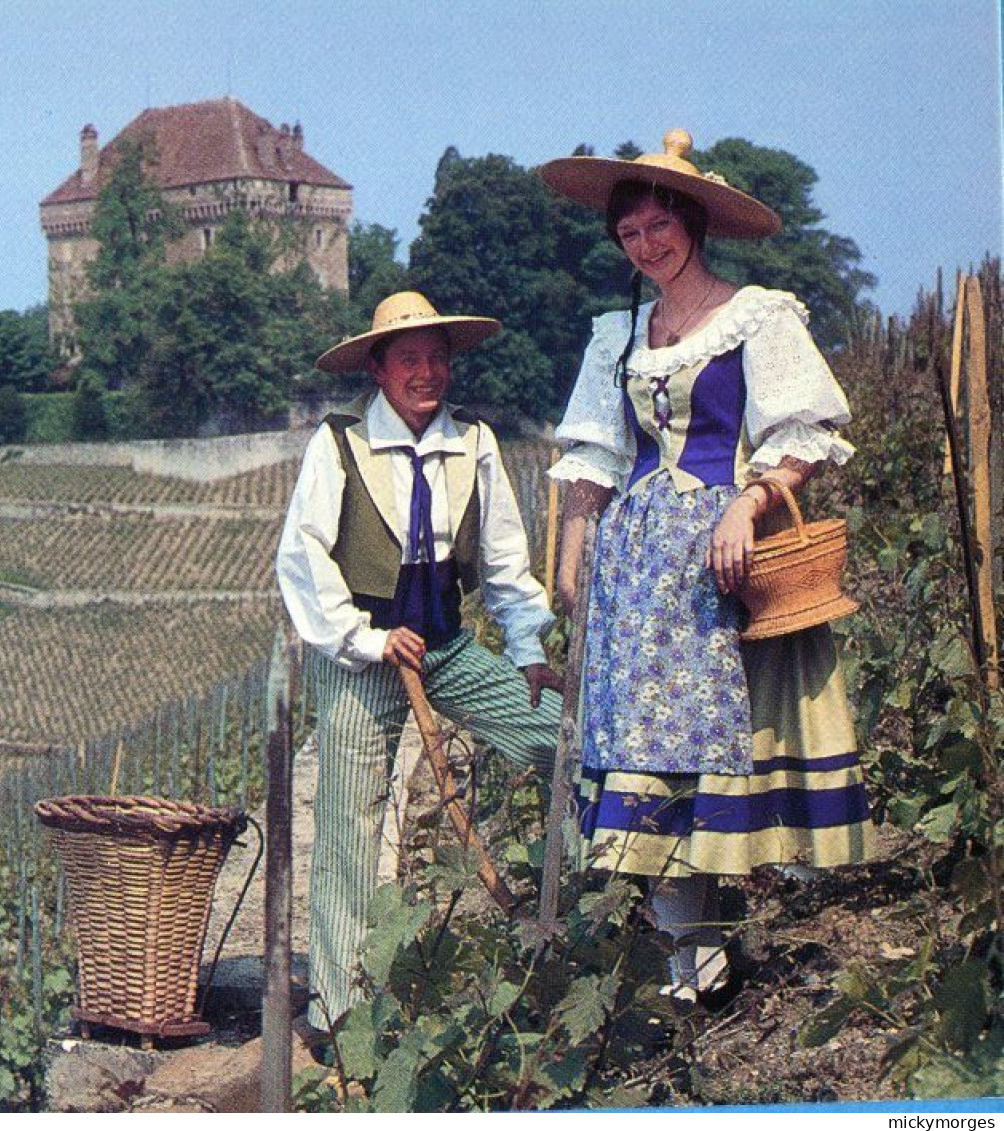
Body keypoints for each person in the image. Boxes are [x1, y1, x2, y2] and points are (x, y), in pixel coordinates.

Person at [539, 131, 873, 1003]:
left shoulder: (752, 315)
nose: (647, 246)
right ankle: (682, 965)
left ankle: (713, 960)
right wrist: (575, 563)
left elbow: (799, 437)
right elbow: (592, 461)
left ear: (692, 224)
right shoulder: (618, 335)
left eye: (659, 226)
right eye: (630, 234)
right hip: (634, 572)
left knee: (712, 748)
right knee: (642, 751)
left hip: (715, 561)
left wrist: (745, 503)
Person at [276, 291, 564, 1033]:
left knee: (561, 739)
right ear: (376, 368)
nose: (425, 372)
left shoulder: (473, 443)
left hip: (445, 646)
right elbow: (302, 557)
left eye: (437, 358)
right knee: (347, 824)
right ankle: (339, 1014)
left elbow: (503, 559)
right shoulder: (338, 444)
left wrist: (528, 648)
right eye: (408, 358)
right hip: (364, 656)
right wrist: (365, 639)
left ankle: (580, 916)